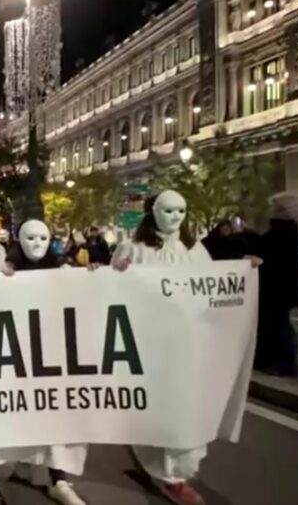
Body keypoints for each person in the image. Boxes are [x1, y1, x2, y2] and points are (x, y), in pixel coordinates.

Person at [111, 190, 217, 505]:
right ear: (153, 212)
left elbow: (214, 285)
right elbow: (111, 291)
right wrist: (119, 273)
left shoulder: (195, 249)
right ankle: (169, 477)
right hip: (150, 344)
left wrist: (245, 270)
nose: (174, 218)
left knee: (186, 408)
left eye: (181, 211)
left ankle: (177, 470)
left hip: (186, 343)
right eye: (168, 211)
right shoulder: (133, 249)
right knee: (158, 409)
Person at [0, 219, 87, 505]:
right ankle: (22, 462)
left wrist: (100, 274)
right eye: (30, 238)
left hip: (56, 355)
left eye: (43, 238)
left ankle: (59, 479)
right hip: (19, 355)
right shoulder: (6, 273)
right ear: (19, 240)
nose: (37, 244)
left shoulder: (65, 270)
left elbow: (91, 292)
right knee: (21, 410)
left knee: (57, 414)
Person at [254, 193, 298, 376]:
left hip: (278, 287)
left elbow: (272, 258)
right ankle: (277, 361)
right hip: (282, 286)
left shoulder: (284, 232)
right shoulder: (289, 231)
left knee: (279, 325)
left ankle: (284, 364)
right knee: (276, 323)